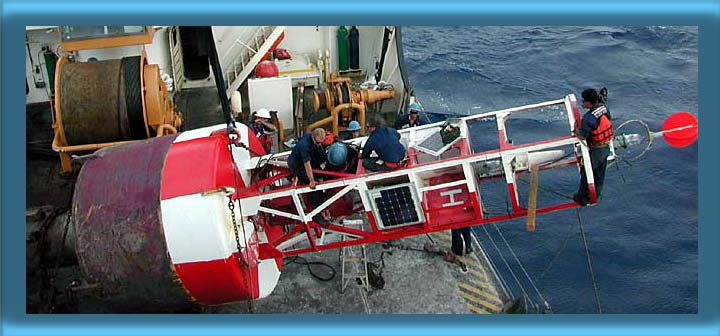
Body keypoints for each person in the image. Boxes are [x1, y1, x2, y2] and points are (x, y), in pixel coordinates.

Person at [573, 88, 614, 206]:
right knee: (600, 173)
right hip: (606, 147)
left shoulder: (589, 118)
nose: (582, 103)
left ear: (589, 103)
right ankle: (597, 195)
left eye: (584, 101)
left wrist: (576, 129)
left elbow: (583, 135)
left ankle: (582, 197)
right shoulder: (603, 108)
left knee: (587, 173)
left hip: (596, 149)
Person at [288, 128, 329, 225]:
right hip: (297, 165)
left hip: (303, 159)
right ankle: (316, 215)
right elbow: (307, 165)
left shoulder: (312, 137)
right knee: (316, 188)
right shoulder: (304, 146)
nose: (319, 145)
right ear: (314, 137)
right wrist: (311, 181)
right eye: (318, 143)